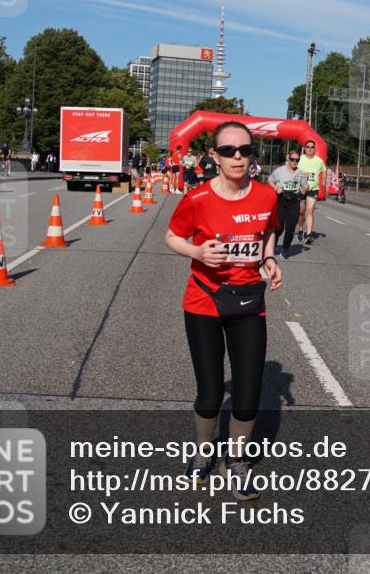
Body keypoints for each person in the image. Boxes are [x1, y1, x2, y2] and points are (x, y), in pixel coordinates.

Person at [164, 121, 281, 501]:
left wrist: (268, 258)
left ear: (252, 155)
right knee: (211, 393)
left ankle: (238, 463)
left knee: (247, 394)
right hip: (204, 301)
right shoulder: (197, 198)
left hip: (248, 301)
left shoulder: (266, 196)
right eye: (228, 150)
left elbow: (268, 232)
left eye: (244, 150)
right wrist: (197, 252)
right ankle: (202, 454)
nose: (237, 157)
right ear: (214, 156)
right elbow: (172, 236)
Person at [268, 150, 309, 259]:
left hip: (294, 200)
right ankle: (274, 244)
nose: (295, 162)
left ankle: (285, 249)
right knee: (279, 227)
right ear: (288, 159)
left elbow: (306, 186)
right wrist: (276, 187)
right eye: (292, 159)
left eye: (297, 160)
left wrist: (304, 188)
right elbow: (270, 180)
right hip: (281, 199)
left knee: (290, 228)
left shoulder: (300, 173)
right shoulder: (280, 171)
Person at [297, 140, 326, 245]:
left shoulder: (319, 161)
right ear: (304, 148)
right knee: (301, 212)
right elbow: (294, 171)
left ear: (315, 149)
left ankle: (308, 235)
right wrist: (300, 184)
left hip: (313, 189)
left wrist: (323, 181)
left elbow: (324, 170)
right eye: (308, 146)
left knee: (310, 210)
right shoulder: (300, 159)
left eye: (312, 147)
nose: (310, 148)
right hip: (300, 189)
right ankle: (300, 229)